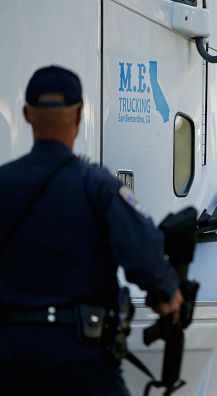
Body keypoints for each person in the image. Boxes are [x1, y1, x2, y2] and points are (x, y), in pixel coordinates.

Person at [0, 65, 183, 396]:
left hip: (8, 356)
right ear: (80, 115)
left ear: (27, 115)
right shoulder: (97, 186)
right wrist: (168, 294)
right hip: (80, 357)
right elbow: (143, 255)